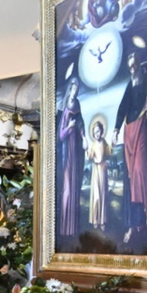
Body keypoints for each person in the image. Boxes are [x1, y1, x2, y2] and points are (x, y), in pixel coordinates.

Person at [113, 51, 147, 243]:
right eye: (130, 66)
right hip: (129, 131)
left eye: (135, 65)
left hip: (143, 129)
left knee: (140, 172)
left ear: (140, 64)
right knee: (131, 178)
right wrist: (115, 129)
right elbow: (122, 107)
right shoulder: (131, 85)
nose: (133, 69)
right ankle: (136, 222)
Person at [57, 76, 85, 237]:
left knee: (74, 187)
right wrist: (69, 127)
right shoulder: (64, 109)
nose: (75, 91)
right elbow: (60, 135)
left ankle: (73, 228)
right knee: (67, 188)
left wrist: (84, 137)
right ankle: (65, 228)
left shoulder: (78, 105)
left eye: (77, 89)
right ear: (70, 89)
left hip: (76, 152)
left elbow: (81, 124)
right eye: (73, 88)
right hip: (67, 152)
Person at [84, 120, 112, 231]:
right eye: (95, 132)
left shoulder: (104, 142)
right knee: (96, 196)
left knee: (103, 195)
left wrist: (113, 144)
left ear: (101, 132)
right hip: (96, 171)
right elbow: (89, 156)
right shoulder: (94, 144)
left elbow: (109, 152)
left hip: (103, 169)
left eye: (98, 132)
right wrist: (86, 149)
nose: (97, 134)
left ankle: (102, 221)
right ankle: (95, 220)